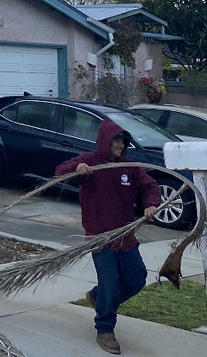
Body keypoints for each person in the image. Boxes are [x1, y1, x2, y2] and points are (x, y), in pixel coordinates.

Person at [55, 119, 161, 355]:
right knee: (111, 286)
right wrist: (77, 169)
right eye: (117, 141)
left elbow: (151, 187)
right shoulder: (90, 162)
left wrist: (152, 205)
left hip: (125, 237)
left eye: (124, 142)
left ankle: (97, 297)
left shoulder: (130, 165)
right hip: (100, 238)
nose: (121, 146)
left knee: (136, 279)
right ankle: (104, 330)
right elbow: (59, 172)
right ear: (106, 140)